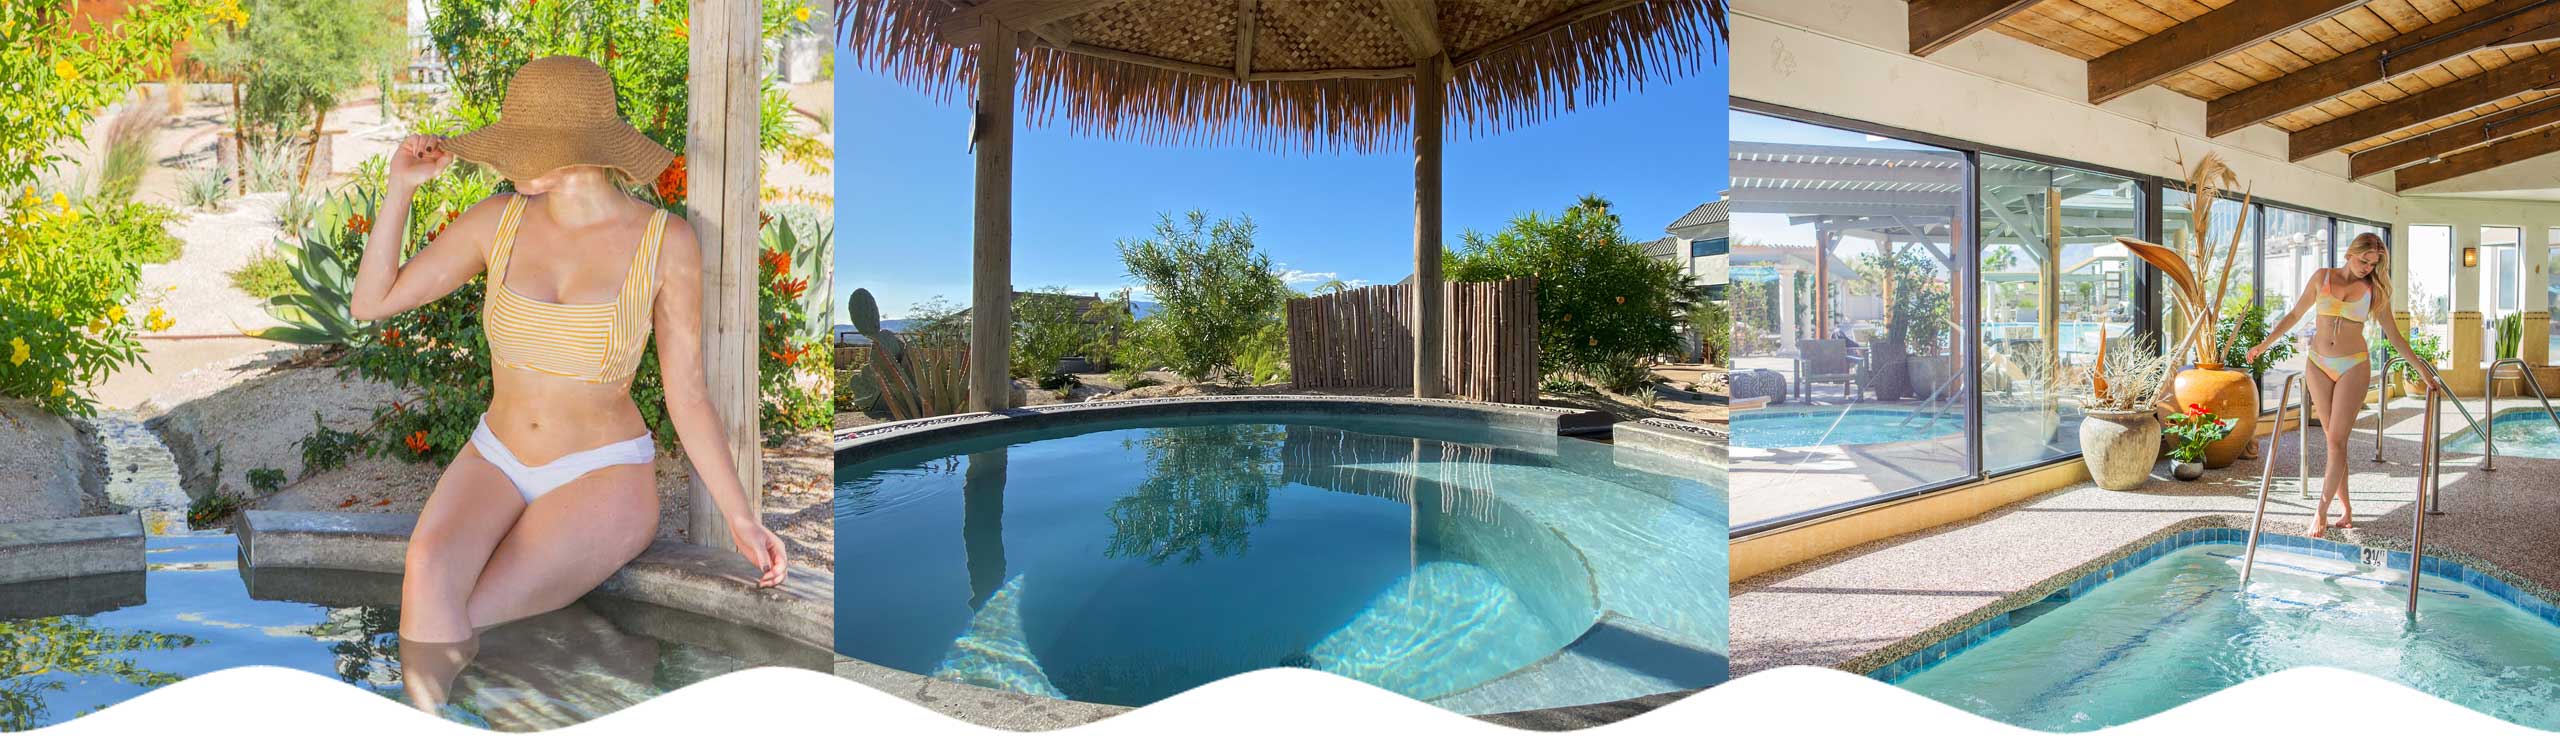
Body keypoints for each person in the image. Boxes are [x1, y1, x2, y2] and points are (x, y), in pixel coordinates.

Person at [349, 56, 788, 710]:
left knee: (475, 618)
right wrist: (400, 190)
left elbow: (686, 393)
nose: (510, 159)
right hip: (495, 454)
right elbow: (372, 303)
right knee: (428, 575)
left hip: (602, 473)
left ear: (585, 152)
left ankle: (609, 678)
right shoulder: (497, 219)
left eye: (533, 145)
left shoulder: (663, 243)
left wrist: (741, 517)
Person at [2247, 232, 2439, 536]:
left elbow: (2396, 337)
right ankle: (2346, 509)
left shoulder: (2374, 290)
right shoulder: (2322, 278)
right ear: (2351, 253)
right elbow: (2295, 315)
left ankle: (2320, 512)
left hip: (2353, 365)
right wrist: (2263, 345)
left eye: (2373, 264)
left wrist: (2424, 372)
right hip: (2318, 365)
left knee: (2336, 441)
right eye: (2364, 260)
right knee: (2334, 441)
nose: (2367, 267)